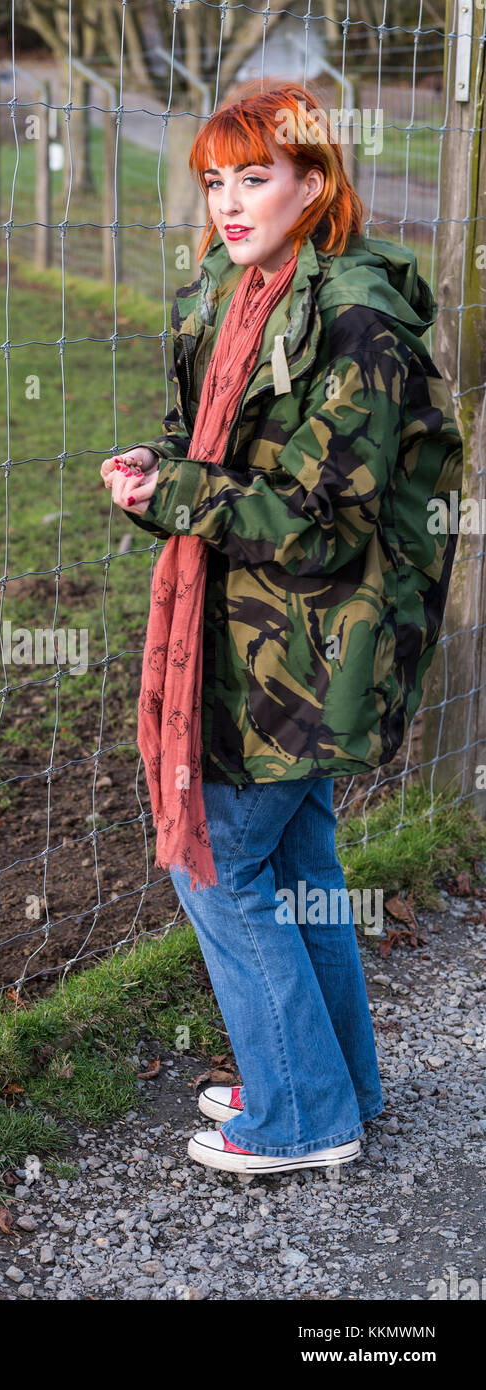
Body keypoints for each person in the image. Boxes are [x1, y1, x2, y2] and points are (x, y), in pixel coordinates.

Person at [101, 78, 463, 1175]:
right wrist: (161, 472)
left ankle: (302, 1117)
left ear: (314, 180)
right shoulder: (242, 288)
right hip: (256, 632)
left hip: (313, 644)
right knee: (298, 860)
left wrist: (171, 497)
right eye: (215, 179)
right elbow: (225, 460)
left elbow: (316, 520)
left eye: (254, 177)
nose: (227, 200)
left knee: (215, 866)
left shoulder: (355, 319)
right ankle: (335, 1080)